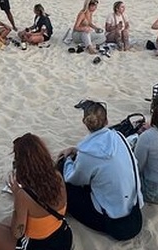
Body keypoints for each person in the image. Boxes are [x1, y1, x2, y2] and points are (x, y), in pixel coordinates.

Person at [0, 133, 72, 250]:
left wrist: (17, 196)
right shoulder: (57, 176)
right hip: (63, 239)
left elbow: (17, 233)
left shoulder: (24, 195)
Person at [56, 100, 143, 241]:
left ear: (85, 122)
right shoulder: (119, 137)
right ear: (107, 120)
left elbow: (74, 179)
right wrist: (77, 151)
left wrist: (68, 161)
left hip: (113, 223)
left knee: (62, 172)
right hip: (135, 214)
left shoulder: (87, 153)